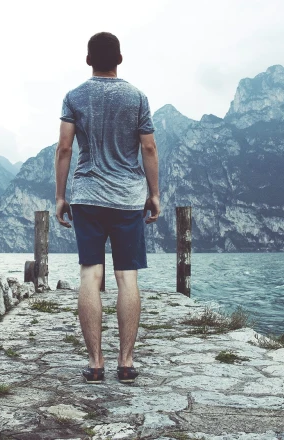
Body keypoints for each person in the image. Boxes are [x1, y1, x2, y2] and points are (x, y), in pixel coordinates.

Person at [54, 32, 160, 384]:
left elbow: (65, 149)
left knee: (90, 275)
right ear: (120, 59)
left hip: (87, 197)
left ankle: (95, 363)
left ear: (88, 60)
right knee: (126, 278)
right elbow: (148, 149)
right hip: (128, 200)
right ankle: (126, 362)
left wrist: (60, 196)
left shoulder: (74, 97)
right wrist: (154, 193)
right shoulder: (137, 97)